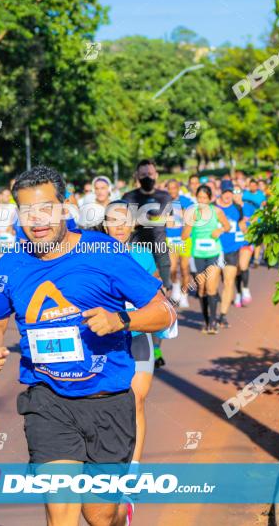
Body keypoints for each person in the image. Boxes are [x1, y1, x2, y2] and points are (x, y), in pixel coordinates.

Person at [0, 166, 174, 526]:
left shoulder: (103, 251)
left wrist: (122, 321)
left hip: (107, 401)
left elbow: (164, 311)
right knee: (61, 511)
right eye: (26, 212)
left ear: (66, 207)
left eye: (46, 209)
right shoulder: (9, 265)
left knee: (99, 516)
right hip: (48, 400)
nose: (36, 220)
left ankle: (119, 515)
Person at [102, 201, 161, 472]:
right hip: (105, 341)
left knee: (136, 400)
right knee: (108, 404)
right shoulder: (94, 257)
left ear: (133, 224)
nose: (119, 227)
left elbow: (157, 300)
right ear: (105, 226)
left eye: (124, 220)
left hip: (138, 337)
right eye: (113, 221)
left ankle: (133, 468)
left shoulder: (144, 257)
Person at [182, 184, 229, 334]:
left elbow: (227, 226)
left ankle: (213, 322)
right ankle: (206, 320)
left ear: (210, 199)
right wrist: (189, 226)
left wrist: (220, 230)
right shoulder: (193, 214)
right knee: (201, 289)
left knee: (211, 287)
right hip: (198, 255)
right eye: (199, 197)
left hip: (214, 253)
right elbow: (184, 236)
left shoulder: (217, 212)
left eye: (204, 198)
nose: (201, 201)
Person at [122, 160, 173, 295]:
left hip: (160, 249)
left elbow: (172, 221)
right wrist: (145, 219)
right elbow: (125, 224)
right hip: (138, 251)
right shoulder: (129, 197)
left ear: (156, 175)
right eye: (143, 174)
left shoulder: (165, 196)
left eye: (150, 174)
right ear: (137, 176)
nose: (147, 177)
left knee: (164, 291)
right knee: (140, 292)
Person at [213, 181, 249, 323]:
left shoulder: (238, 208)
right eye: (225, 192)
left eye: (230, 192)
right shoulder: (213, 209)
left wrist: (248, 230)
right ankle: (213, 308)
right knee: (213, 285)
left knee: (229, 282)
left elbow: (242, 226)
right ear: (220, 192)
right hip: (215, 251)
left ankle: (222, 315)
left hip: (232, 250)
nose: (228, 195)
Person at [164, 179, 192, 309]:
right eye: (169, 188)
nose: (172, 191)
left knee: (185, 269)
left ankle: (184, 294)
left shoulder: (186, 201)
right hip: (170, 238)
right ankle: (175, 288)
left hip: (184, 239)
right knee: (172, 268)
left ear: (178, 188)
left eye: (174, 188)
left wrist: (184, 234)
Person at [242, 179, 267, 268]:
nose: (252, 187)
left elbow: (264, 206)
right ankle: (248, 258)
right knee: (247, 239)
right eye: (250, 185)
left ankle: (256, 259)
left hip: (258, 220)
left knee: (257, 239)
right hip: (247, 220)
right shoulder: (245, 194)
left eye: (254, 185)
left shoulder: (261, 195)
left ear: (256, 186)